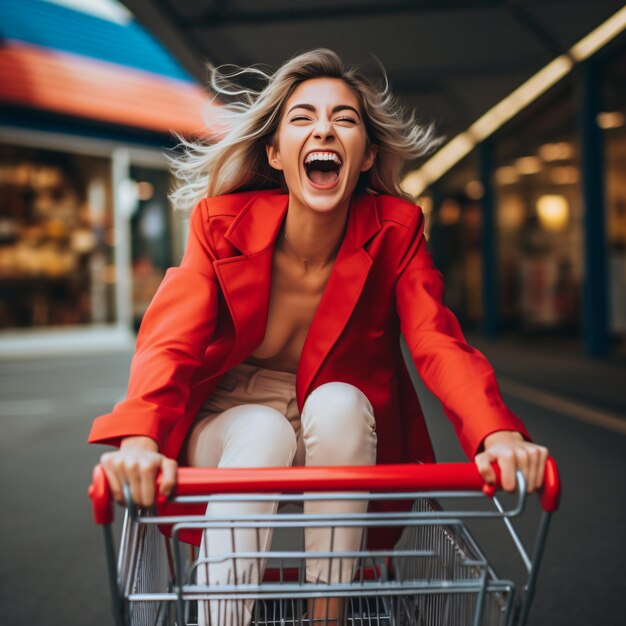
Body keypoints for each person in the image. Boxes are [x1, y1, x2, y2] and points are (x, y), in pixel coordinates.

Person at [88, 48, 549, 625]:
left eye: (345, 119)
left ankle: (327, 616)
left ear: (366, 156)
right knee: (260, 431)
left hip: (329, 423)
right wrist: (139, 440)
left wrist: (497, 434)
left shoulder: (395, 231)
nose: (324, 128)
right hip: (228, 423)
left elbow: (436, 339)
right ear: (276, 153)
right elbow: (171, 338)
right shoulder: (219, 224)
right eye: (302, 117)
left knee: (340, 403)